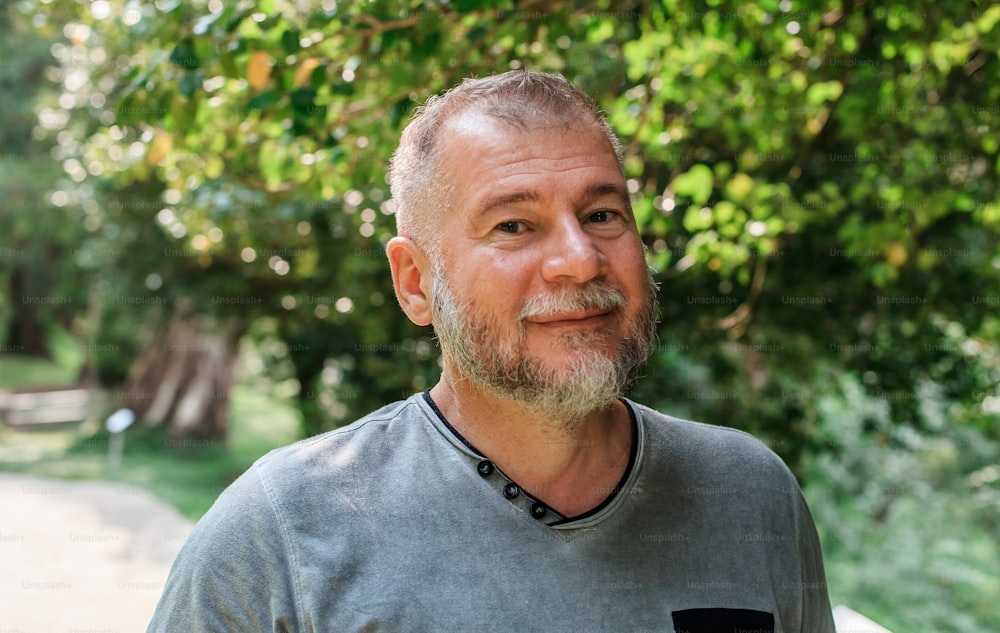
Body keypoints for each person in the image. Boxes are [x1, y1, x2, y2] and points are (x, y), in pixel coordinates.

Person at [147, 70, 836, 633]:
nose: (579, 258)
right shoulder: (281, 535)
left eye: (602, 214)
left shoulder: (750, 494)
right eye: (514, 224)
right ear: (415, 283)